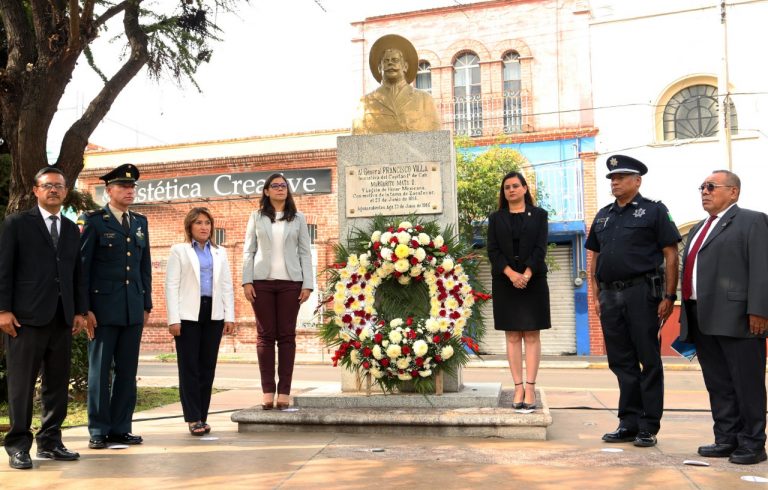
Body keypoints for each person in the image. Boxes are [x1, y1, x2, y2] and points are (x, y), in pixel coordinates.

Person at [585, 154, 681, 448]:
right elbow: (595, 258)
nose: (615, 182)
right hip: (611, 295)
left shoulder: (654, 211)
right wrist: (597, 294)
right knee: (621, 361)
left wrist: (668, 295)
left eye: (621, 177)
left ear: (637, 181)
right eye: (612, 178)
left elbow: (670, 254)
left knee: (648, 359)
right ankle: (628, 421)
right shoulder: (603, 215)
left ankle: (648, 425)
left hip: (642, 293)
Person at [0, 167, 89, 469]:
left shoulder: (70, 228)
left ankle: (50, 442)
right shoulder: (16, 224)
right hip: (24, 318)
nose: (54, 190)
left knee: (56, 383)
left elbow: (77, 273)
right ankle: (18, 445)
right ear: (36, 191)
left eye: (59, 186)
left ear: (65, 192)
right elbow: (4, 269)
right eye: (47, 185)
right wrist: (2, 310)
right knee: (22, 384)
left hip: (62, 318)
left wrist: (79, 310)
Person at [679, 170, 768, 465]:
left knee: (747, 384)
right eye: (702, 187)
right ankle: (726, 438)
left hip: (739, 318)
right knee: (718, 383)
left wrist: (759, 310)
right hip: (701, 317)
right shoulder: (697, 229)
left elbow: (761, 268)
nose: (704, 191)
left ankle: (753, 443)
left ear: (733, 192)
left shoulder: (752, 220)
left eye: (711, 186)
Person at [78, 163, 152, 449]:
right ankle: (98, 429)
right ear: (108, 191)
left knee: (126, 371)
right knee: (99, 372)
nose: (129, 191)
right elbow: (82, 269)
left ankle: (121, 427)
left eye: (132, 186)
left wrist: (146, 304)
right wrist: (85, 310)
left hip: (132, 308)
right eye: (123, 186)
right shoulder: (94, 221)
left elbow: (144, 266)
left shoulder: (140, 222)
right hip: (102, 310)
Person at [242, 173, 314, 410]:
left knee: (286, 336)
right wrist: (247, 281)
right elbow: (248, 251)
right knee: (265, 336)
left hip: (290, 283)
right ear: (266, 191)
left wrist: (307, 283)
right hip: (261, 282)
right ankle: (267, 390)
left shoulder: (299, 218)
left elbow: (305, 252)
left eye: (284, 186)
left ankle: (284, 391)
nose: (280, 189)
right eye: (275, 186)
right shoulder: (256, 216)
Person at [165, 208, 235, 436]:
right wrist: (173, 319)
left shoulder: (220, 252)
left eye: (207, 223)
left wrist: (229, 316)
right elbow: (171, 285)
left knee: (207, 367)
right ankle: (193, 418)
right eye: (198, 223)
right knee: (189, 368)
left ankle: (202, 416)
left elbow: (226, 284)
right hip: (187, 316)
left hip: (212, 313)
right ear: (190, 227)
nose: (204, 227)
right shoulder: (179, 251)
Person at [487, 171, 551, 410]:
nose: (511, 190)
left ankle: (531, 388)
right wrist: (511, 274)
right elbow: (493, 251)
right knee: (512, 336)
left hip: (533, 280)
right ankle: (517, 388)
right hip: (505, 281)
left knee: (532, 334)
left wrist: (526, 274)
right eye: (507, 187)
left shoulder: (540, 215)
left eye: (515, 186)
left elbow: (540, 248)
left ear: (525, 188)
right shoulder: (496, 218)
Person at [352, 34, 441, 134]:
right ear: (379, 68)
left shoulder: (425, 99)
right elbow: (356, 136)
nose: (390, 63)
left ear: (405, 66)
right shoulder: (366, 102)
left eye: (395, 60)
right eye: (386, 61)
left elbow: (436, 134)